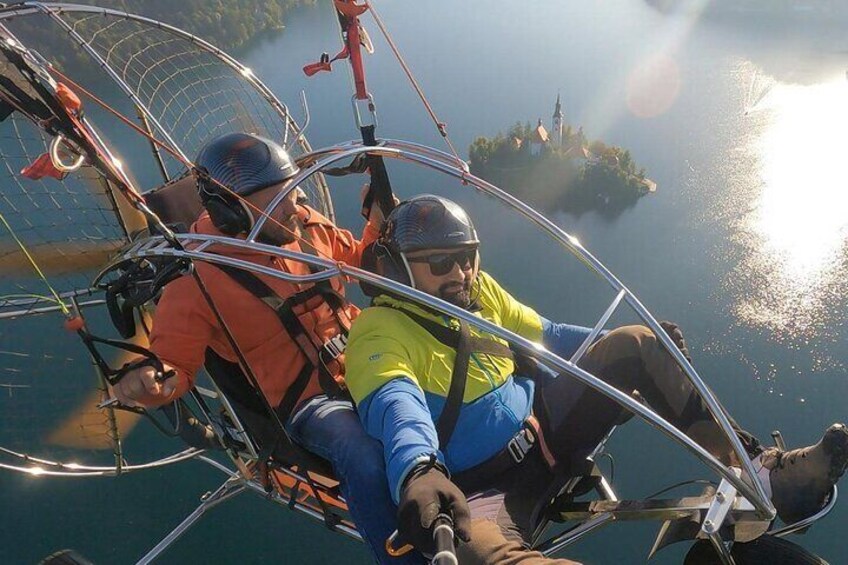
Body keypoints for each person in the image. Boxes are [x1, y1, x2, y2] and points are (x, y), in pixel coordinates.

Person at [344, 194, 848, 564]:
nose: (460, 273)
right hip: (482, 492)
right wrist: (420, 470)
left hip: (545, 433)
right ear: (397, 269)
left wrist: (634, 344)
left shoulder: (480, 294)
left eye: (467, 256)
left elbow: (550, 335)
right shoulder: (377, 334)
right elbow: (398, 406)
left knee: (637, 343)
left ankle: (753, 469)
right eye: (439, 263)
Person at [112, 132, 422, 565]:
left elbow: (363, 263)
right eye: (279, 202)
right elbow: (174, 367)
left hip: (370, 357)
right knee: (365, 456)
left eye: (295, 193)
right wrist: (149, 381)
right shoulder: (196, 284)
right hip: (311, 403)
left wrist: (377, 221)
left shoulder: (303, 226)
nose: (296, 208)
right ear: (233, 212)